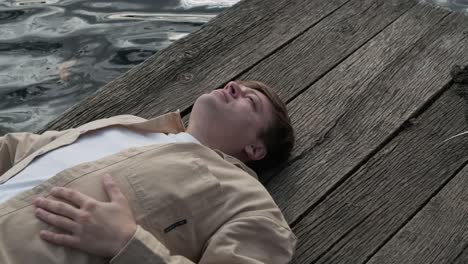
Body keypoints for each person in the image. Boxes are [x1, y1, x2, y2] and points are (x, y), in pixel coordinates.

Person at [0, 80, 296, 263]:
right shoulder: (131, 124)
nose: (233, 85)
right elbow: (18, 149)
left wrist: (127, 242)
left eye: (250, 100)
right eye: (238, 84)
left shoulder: (251, 206)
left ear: (256, 149)